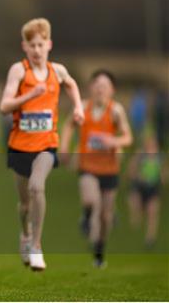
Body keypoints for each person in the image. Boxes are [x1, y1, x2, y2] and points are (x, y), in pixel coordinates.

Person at [0, 18, 84, 271]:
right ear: (24, 46)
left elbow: (71, 84)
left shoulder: (57, 70)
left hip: (47, 144)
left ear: (49, 44)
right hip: (20, 146)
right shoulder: (19, 71)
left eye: (41, 44)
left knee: (38, 187)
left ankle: (36, 245)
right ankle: (25, 234)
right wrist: (29, 95)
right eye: (32, 45)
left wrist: (78, 107)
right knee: (25, 204)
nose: (37, 50)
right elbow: (4, 106)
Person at [61, 70, 132, 268]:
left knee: (106, 218)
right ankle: (86, 214)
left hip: (110, 169)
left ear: (112, 90)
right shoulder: (82, 107)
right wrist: (65, 147)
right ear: (91, 88)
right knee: (90, 199)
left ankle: (99, 251)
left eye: (105, 86)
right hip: (88, 166)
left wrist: (113, 140)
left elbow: (128, 137)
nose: (100, 89)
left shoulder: (116, 111)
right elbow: (68, 126)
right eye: (97, 85)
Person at [127, 134, 165, 249]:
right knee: (138, 209)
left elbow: (164, 174)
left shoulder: (160, 158)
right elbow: (131, 170)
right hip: (140, 187)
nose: (152, 147)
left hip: (153, 189)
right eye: (149, 144)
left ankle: (150, 238)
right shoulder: (140, 155)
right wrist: (137, 175)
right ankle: (136, 214)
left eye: (154, 144)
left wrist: (163, 177)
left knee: (153, 212)